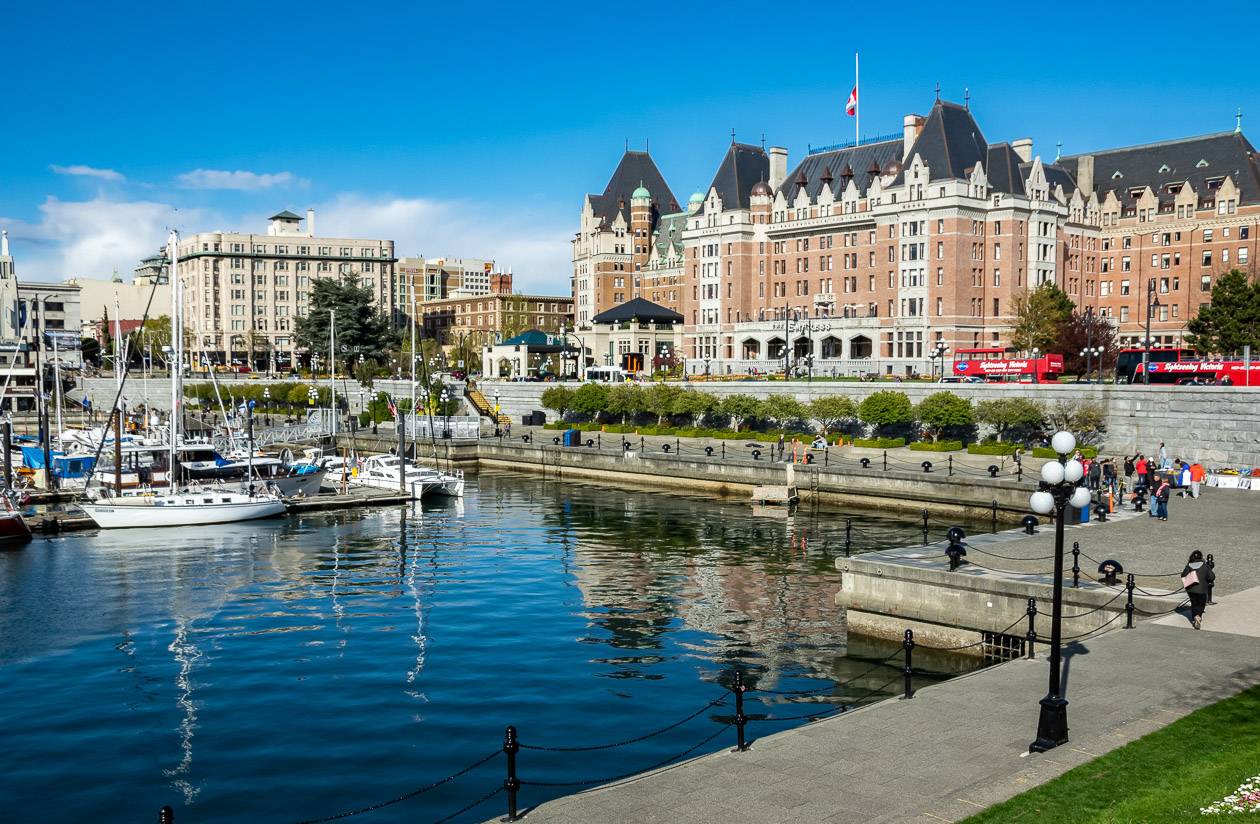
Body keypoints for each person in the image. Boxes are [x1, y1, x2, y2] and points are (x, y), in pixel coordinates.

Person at [1182, 550, 1215, 630]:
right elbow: (1211, 577)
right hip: (1202, 589)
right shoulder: (1205, 566)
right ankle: (1198, 617)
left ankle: (1194, 619)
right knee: (1201, 604)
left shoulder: (1189, 565)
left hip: (1191, 588)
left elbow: (1183, 575)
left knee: (1194, 603)